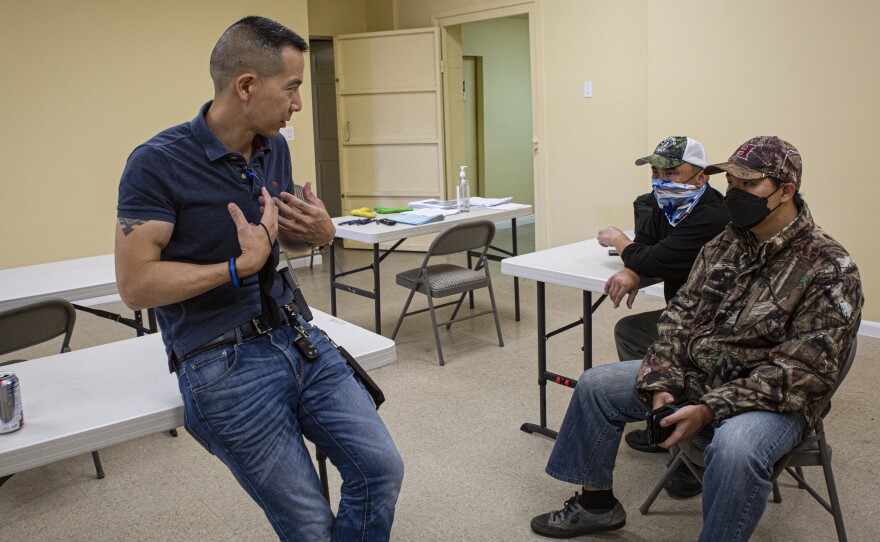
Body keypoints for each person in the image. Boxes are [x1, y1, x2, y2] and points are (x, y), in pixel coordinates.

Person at [115, 17, 403, 541]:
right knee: (311, 526)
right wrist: (234, 268)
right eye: (292, 88)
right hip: (220, 363)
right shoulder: (156, 163)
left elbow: (282, 240)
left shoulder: (274, 147)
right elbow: (136, 285)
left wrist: (318, 233)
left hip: (297, 336)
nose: (297, 103)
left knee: (381, 469)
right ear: (246, 85)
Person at [530, 136, 863, 541]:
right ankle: (596, 505)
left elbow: (803, 373)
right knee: (596, 385)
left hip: (773, 398)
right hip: (702, 373)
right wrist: (661, 384)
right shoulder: (724, 245)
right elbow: (678, 319)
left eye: (749, 185)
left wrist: (708, 409)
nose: (736, 195)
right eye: (732, 185)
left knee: (736, 449)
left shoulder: (829, 266)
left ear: (785, 191)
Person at [597, 136, 729, 465]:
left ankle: (692, 442)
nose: (660, 182)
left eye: (671, 174)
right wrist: (633, 271)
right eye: (655, 173)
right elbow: (647, 249)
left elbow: (654, 257)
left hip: (716, 324)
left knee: (669, 348)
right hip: (681, 314)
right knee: (630, 330)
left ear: (701, 177)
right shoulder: (660, 203)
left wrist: (619, 240)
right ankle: (662, 416)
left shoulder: (713, 215)